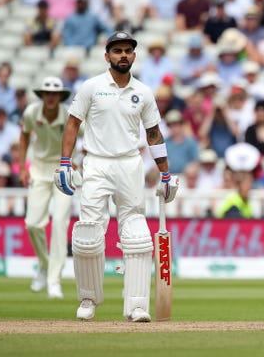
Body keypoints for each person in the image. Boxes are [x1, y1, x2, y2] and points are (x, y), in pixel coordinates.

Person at [55, 31, 180, 322]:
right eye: (117, 51)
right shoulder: (92, 87)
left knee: (136, 234)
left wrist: (165, 174)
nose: (123, 55)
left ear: (134, 56)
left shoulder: (144, 92)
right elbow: (72, 124)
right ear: (107, 55)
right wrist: (64, 163)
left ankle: (136, 306)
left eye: (128, 51)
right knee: (88, 233)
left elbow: (154, 134)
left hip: (129, 164)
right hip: (96, 163)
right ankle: (88, 300)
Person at [19, 76, 74, 299]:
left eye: (55, 94)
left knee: (60, 223)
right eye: (47, 93)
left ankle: (54, 281)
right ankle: (44, 264)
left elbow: (85, 137)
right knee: (32, 224)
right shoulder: (32, 112)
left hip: (62, 171)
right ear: (43, 95)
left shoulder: (69, 114)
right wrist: (23, 168)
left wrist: (77, 160)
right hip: (39, 171)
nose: (51, 97)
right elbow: (23, 137)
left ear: (61, 96)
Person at [216, 142, 260, 219]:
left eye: (250, 185)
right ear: (239, 186)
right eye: (247, 185)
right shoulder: (233, 203)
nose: (249, 188)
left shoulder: (246, 201)